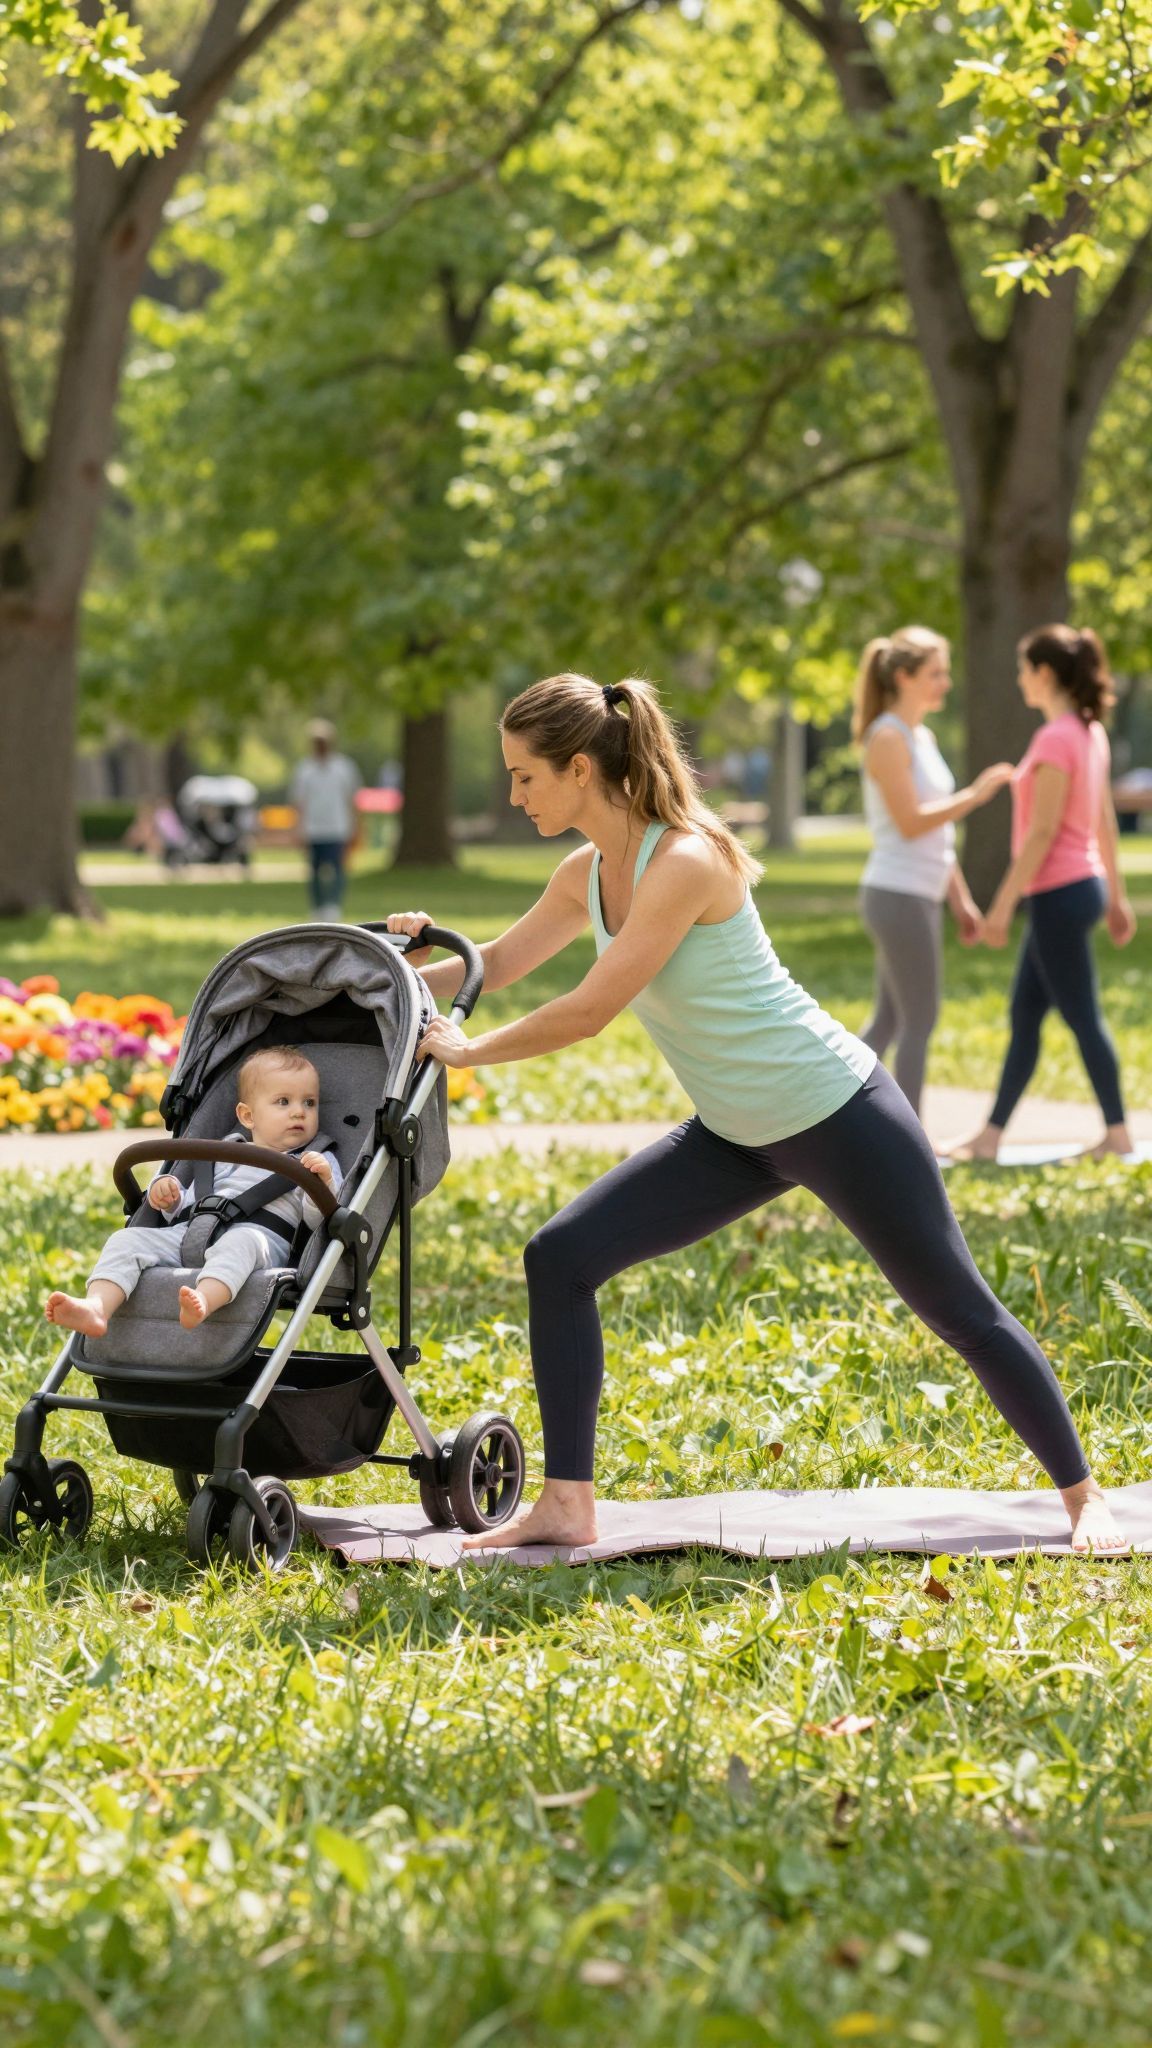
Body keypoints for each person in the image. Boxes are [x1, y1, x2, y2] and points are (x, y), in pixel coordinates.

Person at [387, 672, 1127, 1556]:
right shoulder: (585, 870)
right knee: (561, 1257)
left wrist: (468, 1050)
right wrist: (371, 974)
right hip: (737, 1135)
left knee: (958, 1308)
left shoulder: (687, 859)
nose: (513, 796)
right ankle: (566, 1503)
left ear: (580, 768)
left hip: (837, 1111)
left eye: (525, 776)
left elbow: (590, 1007)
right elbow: (498, 964)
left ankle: (1085, 1497)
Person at [950, 626, 1137, 1163]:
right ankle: (989, 1138)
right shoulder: (1088, 732)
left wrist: (1004, 903)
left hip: (1058, 892)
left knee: (1081, 1013)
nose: (1019, 680)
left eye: (1024, 669)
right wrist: (1117, 897)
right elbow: (1102, 820)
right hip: (1082, 887)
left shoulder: (1057, 737)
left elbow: (1042, 832)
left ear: (1045, 673)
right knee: (1026, 1013)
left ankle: (1118, 1135)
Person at [44, 1048, 341, 1336]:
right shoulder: (224, 1151)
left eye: (310, 1103)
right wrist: (170, 1199)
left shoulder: (315, 1160)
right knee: (127, 1239)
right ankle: (97, 1306)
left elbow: (320, 1219)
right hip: (191, 1232)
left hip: (259, 1241)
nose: (299, 1112)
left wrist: (322, 1183)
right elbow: (197, 1200)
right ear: (248, 1116)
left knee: (242, 1241)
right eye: (283, 1102)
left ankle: (204, 1300)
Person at [855, 626, 1013, 1120]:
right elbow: (910, 823)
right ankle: (913, 1137)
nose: (945, 683)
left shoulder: (919, 735)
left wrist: (960, 900)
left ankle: (826, 1121)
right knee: (919, 1021)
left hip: (917, 893)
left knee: (887, 1022)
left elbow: (935, 838)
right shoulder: (886, 737)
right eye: (935, 674)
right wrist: (976, 795)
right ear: (902, 677)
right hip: (896, 894)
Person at [290, 719, 361, 919]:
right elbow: (299, 803)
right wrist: (297, 828)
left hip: (338, 828)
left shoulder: (344, 768)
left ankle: (333, 906)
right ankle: (318, 908)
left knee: (337, 869)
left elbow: (351, 800)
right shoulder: (304, 769)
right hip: (313, 829)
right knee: (314, 871)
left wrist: (355, 826)